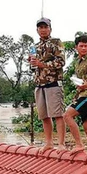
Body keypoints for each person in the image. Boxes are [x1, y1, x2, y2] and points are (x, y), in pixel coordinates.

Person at [30, 17, 66, 153]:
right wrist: (32, 63)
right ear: (37, 30)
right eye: (41, 27)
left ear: (50, 28)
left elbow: (61, 62)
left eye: (45, 27)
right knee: (44, 116)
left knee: (58, 114)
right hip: (39, 84)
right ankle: (49, 142)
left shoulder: (56, 42)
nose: (43, 29)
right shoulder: (35, 46)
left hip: (53, 82)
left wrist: (42, 64)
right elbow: (33, 68)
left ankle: (61, 143)